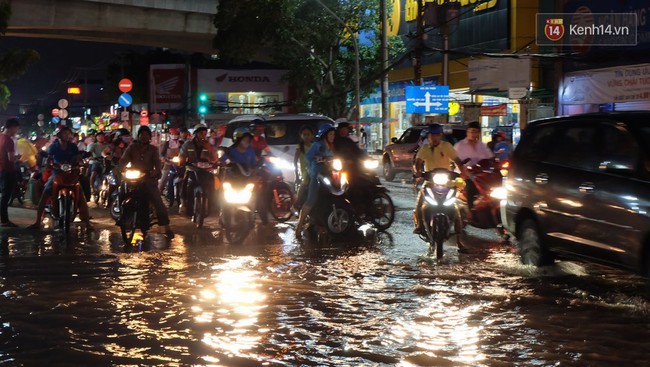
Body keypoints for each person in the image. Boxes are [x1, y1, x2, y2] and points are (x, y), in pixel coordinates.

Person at [412, 124, 468, 247]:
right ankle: (419, 225)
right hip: (430, 182)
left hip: (446, 182)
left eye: (437, 135)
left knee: (455, 208)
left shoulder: (446, 146)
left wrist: (463, 172)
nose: (434, 138)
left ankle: (459, 241)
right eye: (432, 135)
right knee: (420, 204)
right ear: (429, 136)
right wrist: (418, 172)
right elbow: (418, 162)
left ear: (441, 135)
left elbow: (457, 160)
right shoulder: (425, 148)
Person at [27, 126, 93, 230]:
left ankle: (88, 223)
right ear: (59, 135)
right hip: (57, 173)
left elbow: (77, 157)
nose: (67, 135)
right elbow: (49, 159)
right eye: (65, 133)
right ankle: (37, 222)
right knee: (45, 194)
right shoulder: (54, 146)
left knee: (81, 196)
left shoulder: (73, 146)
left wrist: (80, 161)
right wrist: (50, 164)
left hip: (71, 173)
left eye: (68, 133)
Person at [119, 126, 174, 238]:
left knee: (157, 201)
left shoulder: (153, 149)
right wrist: (119, 169)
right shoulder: (132, 147)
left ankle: (166, 226)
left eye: (146, 134)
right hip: (133, 178)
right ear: (138, 136)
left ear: (149, 137)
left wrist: (154, 173)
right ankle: (122, 217)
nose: (144, 137)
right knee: (121, 192)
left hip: (147, 178)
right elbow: (123, 160)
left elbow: (157, 166)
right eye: (142, 134)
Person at [219, 127, 269, 225]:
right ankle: (223, 217)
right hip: (232, 179)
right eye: (245, 138)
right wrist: (222, 164)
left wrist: (257, 170)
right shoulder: (230, 150)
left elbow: (254, 164)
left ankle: (264, 220)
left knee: (258, 196)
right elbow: (221, 161)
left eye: (248, 139)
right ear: (238, 139)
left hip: (247, 179)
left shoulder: (250, 150)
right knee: (222, 196)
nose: (247, 141)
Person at [295, 124, 336, 239]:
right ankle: (299, 226)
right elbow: (308, 157)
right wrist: (320, 159)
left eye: (333, 134)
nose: (333, 136)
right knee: (311, 199)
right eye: (330, 134)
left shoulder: (330, 146)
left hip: (328, 174)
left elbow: (333, 158)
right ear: (325, 135)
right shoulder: (318, 145)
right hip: (317, 175)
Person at [454, 121, 494, 213]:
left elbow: (490, 158)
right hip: (464, 175)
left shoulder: (482, 146)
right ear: (467, 132)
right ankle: (470, 211)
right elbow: (456, 161)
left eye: (475, 131)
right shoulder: (459, 146)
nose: (473, 134)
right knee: (470, 187)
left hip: (480, 175)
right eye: (471, 131)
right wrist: (464, 173)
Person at [178, 124, 218, 216]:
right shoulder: (188, 144)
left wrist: (213, 160)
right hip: (192, 169)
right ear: (196, 134)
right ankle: (184, 204)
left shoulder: (209, 145)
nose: (203, 135)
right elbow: (182, 156)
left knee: (214, 185)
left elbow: (214, 158)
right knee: (185, 185)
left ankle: (213, 207)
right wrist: (182, 161)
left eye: (204, 133)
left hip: (206, 170)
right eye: (201, 133)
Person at [0, 118, 20, 227]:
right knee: (5, 196)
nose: (16, 131)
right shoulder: (8, 140)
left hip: (1, 170)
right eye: (16, 128)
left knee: (3, 195)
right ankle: (4, 220)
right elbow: (11, 158)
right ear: (12, 127)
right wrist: (18, 158)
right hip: (7, 170)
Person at [292, 125, 314, 212]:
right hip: (305, 171)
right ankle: (296, 203)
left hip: (315, 169)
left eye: (308, 134)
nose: (306, 136)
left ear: (312, 135)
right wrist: (296, 174)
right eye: (304, 134)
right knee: (304, 182)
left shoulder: (314, 146)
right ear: (301, 136)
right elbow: (295, 161)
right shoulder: (300, 147)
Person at [159, 127, 183, 193]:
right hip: (168, 164)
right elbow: (162, 154)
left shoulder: (181, 143)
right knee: (164, 179)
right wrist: (163, 158)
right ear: (170, 134)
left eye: (176, 134)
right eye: (173, 134)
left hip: (179, 164)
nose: (174, 135)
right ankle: (158, 193)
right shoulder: (166, 143)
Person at [86, 131, 108, 198]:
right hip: (96, 162)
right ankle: (92, 187)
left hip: (106, 163)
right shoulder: (93, 145)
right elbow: (89, 154)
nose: (100, 138)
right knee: (93, 174)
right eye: (99, 136)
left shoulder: (107, 146)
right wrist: (91, 157)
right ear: (96, 138)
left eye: (102, 136)